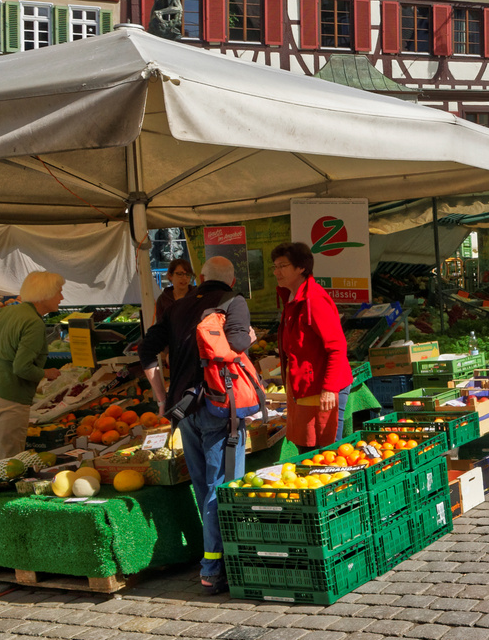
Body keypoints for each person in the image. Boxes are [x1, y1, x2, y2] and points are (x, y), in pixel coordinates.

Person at [141, 255, 253, 595]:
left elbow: (145, 351)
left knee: (204, 488)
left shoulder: (177, 306)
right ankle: (215, 569)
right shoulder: (233, 302)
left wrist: (162, 398)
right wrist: (250, 336)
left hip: (184, 410)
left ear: (200, 277)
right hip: (220, 408)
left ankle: (212, 564)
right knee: (224, 489)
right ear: (231, 282)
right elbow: (238, 344)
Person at [0, 271, 64, 476]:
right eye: (59, 292)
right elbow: (21, 368)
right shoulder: (34, 323)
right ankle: (4, 504)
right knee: (10, 463)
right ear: (45, 294)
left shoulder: (7, 311)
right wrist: (47, 372)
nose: (61, 297)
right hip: (7, 396)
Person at [272, 241, 352, 450]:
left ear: (301, 268)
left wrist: (329, 389)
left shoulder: (314, 299)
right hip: (305, 387)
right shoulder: (291, 298)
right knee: (307, 446)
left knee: (325, 451)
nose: (276, 272)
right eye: (275, 266)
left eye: (282, 266)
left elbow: (337, 347)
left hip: (323, 386)